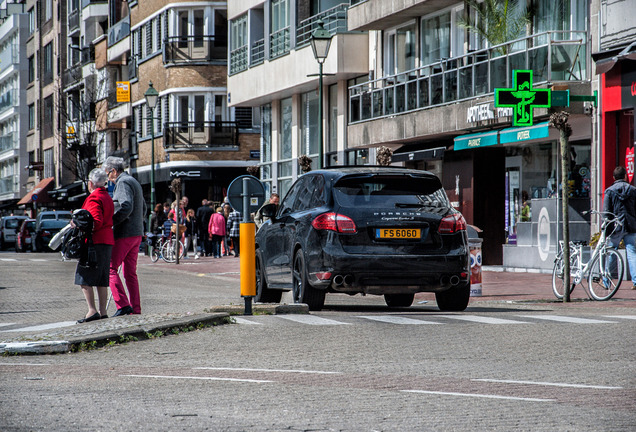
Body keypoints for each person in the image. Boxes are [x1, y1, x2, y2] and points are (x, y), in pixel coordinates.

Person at [103, 156, 147, 316]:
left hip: (124, 233)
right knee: (130, 273)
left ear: (113, 171)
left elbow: (126, 205)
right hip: (136, 233)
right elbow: (144, 207)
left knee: (110, 268)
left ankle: (122, 305)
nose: (108, 178)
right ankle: (135, 309)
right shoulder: (133, 180)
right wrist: (138, 223)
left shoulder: (122, 182)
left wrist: (112, 222)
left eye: (108, 174)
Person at [75, 168, 114, 323]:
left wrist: (79, 225)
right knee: (102, 279)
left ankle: (92, 310)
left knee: (84, 277)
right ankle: (103, 311)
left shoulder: (94, 198)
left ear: (90, 183)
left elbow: (95, 221)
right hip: (107, 241)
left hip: (94, 242)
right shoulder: (107, 197)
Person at [603, 165, 636, 290]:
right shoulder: (633, 190)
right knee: (631, 252)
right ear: (625, 176)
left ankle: (607, 281)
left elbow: (606, 212)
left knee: (612, 252)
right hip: (630, 226)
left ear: (613, 177)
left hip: (616, 227)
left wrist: (605, 228)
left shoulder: (609, 191)